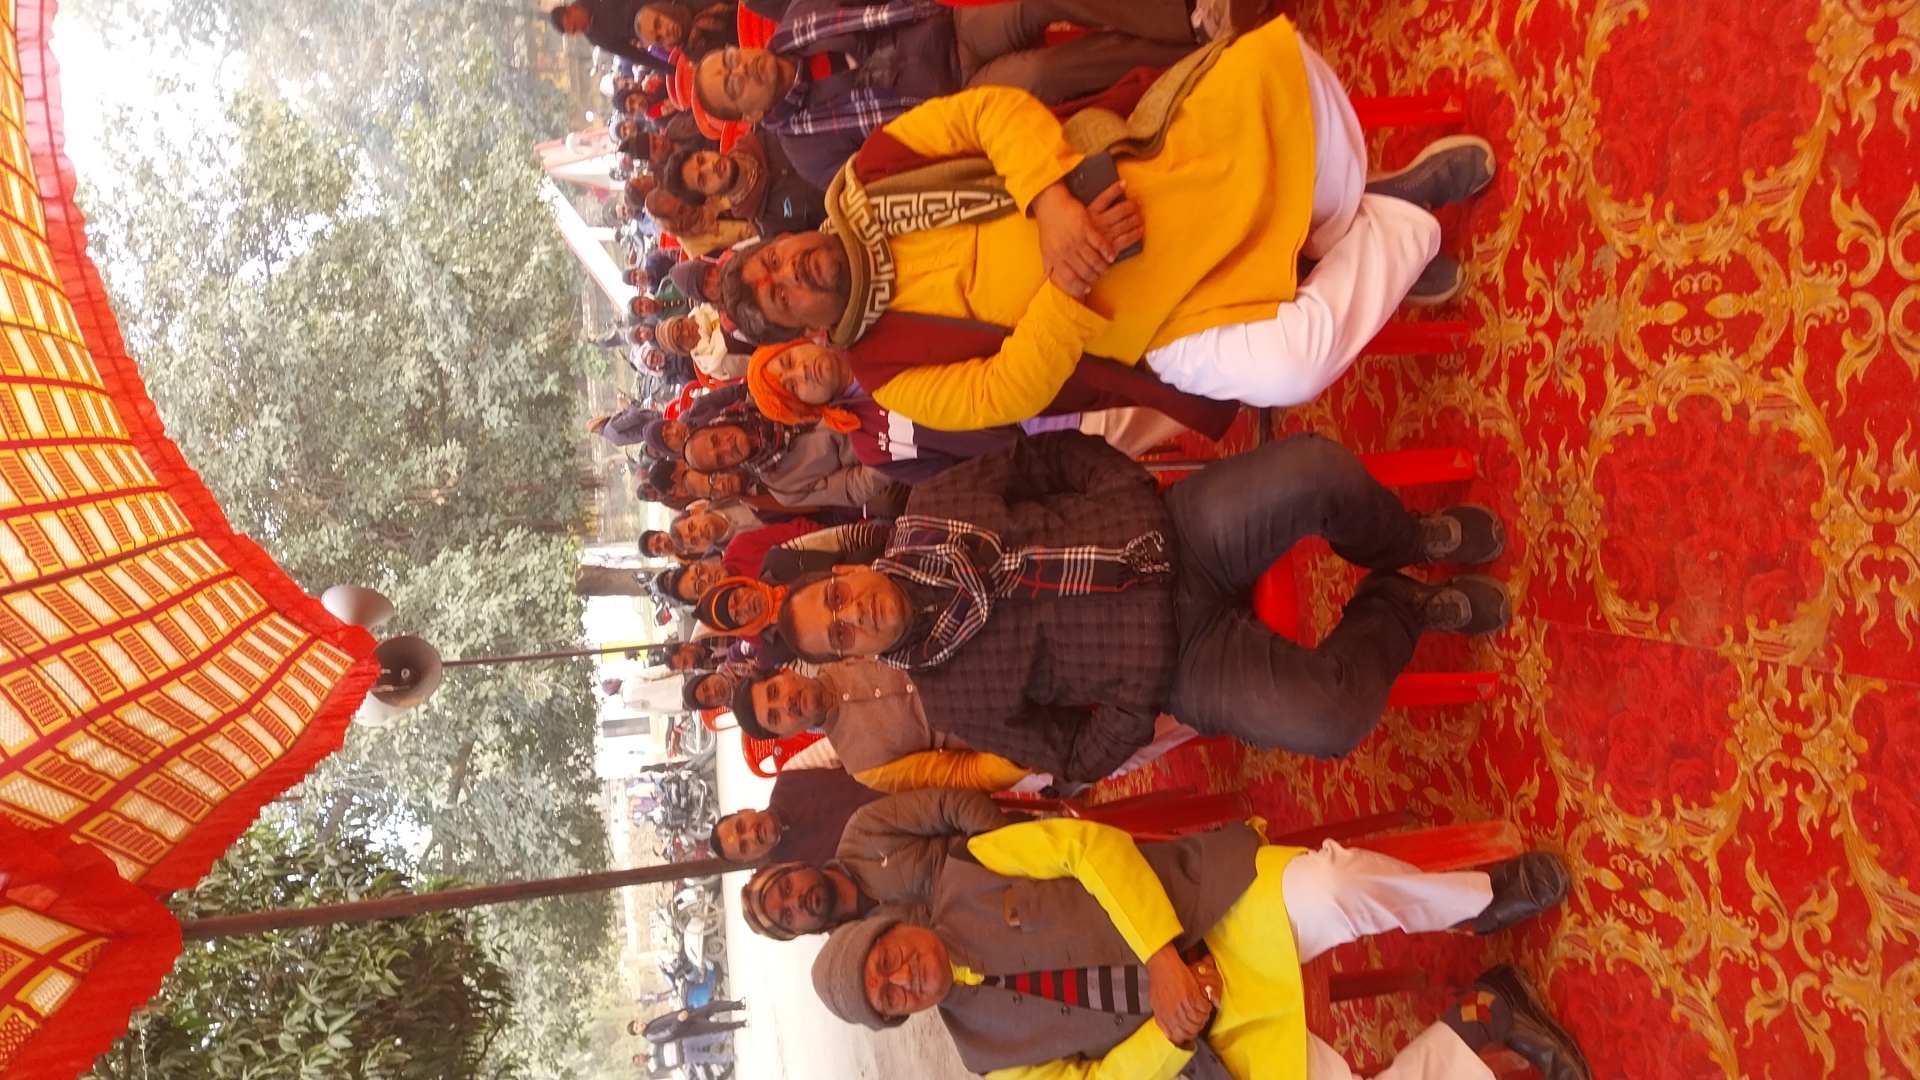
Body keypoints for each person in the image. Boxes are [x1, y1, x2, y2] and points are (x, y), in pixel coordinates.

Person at [716, 16, 1493, 432]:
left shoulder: (870, 172)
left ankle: (1353, 225)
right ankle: (1395, 222)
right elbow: (1002, 392)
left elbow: (988, 113)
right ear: (807, 329)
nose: (790, 272)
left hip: (1130, 183)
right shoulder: (887, 375)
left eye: (773, 260)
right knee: (1294, 368)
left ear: (781, 239)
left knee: (1287, 74)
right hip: (1136, 322)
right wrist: (1067, 283)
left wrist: (1051, 203)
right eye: (781, 294)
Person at [774, 433, 1512, 783]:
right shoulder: (952, 696)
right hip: (1185, 660)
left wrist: (1123, 490)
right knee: (1330, 719)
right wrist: (1132, 704)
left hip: (1176, 535)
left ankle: (1408, 539)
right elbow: (1071, 757)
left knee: (1319, 470)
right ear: (853, 656)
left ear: (846, 569)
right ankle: (1402, 605)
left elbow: (1044, 459)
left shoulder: (935, 509)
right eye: (840, 634)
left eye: (837, 597)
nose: (854, 613)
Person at [809, 817, 1587, 1080]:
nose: (902, 977)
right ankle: (1486, 1015)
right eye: (888, 996)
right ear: (898, 1016)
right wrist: (1170, 1029)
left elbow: (1088, 847)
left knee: (1333, 885)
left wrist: (1160, 957)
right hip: (1206, 1033)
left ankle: (1479, 899)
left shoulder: (971, 866)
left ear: (891, 928)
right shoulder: (986, 1057)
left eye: (886, 959)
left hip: (1207, 911)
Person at [693, 0, 1208, 187]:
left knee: (1036, 3)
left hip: (948, 29)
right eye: (734, 85)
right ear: (750, 112)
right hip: (956, 101)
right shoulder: (808, 152)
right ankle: (1191, 48)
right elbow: (887, 176)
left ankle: (1186, 16)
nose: (743, 68)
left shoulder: (799, 18)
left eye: (731, 59)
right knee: (1042, 75)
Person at [742, 787, 1018, 939]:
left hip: (1012, 856)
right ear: (798, 932)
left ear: (797, 866)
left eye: (787, 888)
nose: (797, 901)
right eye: (788, 916)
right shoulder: (864, 949)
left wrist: (1009, 853)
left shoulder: (865, 829)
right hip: (1011, 928)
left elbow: (951, 805)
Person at [733, 662, 1038, 792]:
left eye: (774, 691)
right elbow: (961, 774)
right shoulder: (864, 766)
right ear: (787, 734)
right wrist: (1018, 752)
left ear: (785, 672)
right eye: (775, 718)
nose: (785, 704)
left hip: (1002, 657)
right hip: (1012, 728)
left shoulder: (842, 645)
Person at [684, 412, 908, 514]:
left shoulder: (768, 398)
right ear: (727, 469)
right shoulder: (783, 488)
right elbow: (855, 487)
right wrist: (890, 448)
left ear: (717, 425)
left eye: (716, 439)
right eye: (720, 459)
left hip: (872, 401)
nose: (727, 447)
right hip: (886, 450)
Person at [709, 765, 884, 865]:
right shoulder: (794, 875)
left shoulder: (792, 774)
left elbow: (847, 749)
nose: (751, 835)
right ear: (750, 858)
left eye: (741, 826)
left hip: (890, 779)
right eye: (744, 846)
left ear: (745, 811)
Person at [662, 133, 827, 238]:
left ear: (705, 151)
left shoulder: (767, 129)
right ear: (709, 197)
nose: (710, 167)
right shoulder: (772, 228)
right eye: (703, 179)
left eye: (701, 160)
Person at [549, 0, 675, 73]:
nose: (578, 30)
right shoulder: (595, 38)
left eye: (574, 26)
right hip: (660, 35)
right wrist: (669, 69)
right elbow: (632, 54)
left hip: (659, 5)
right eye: (574, 32)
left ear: (571, 9)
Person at [635, 0, 737, 59]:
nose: (665, 32)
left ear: (661, 7)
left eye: (658, 23)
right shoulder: (695, 52)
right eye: (659, 39)